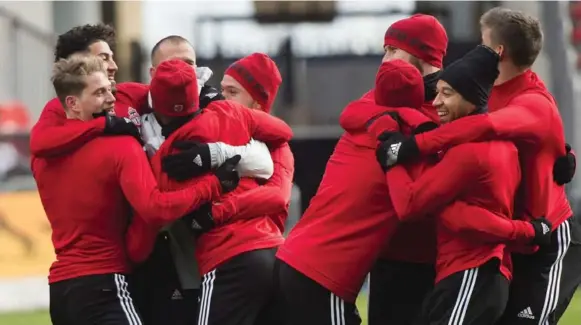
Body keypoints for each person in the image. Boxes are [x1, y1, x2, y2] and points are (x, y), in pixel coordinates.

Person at [379, 7, 581, 325]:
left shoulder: (531, 101)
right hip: (514, 242)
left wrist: (412, 147)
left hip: (547, 241)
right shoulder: (490, 90)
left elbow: (484, 127)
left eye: (483, 42)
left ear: (497, 50)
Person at [34, 54, 239, 325]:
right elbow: (155, 209)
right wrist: (214, 184)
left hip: (61, 292)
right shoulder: (121, 147)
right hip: (105, 285)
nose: (111, 99)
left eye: (109, 89)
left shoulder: (41, 157)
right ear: (71, 103)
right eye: (99, 93)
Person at [276, 59, 444, 325]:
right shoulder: (400, 150)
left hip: (297, 260)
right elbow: (416, 203)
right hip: (322, 275)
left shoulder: (360, 130)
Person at [147, 59, 292, 325]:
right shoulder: (212, 129)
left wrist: (215, 211)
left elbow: (277, 196)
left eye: (232, 92)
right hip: (261, 257)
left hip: (235, 257)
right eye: (222, 89)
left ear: (258, 106)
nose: (221, 98)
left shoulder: (276, 146)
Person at [338, 14, 448, 325]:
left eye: (392, 50)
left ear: (420, 54)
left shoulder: (452, 101)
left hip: (440, 257)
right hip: (390, 255)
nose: (384, 60)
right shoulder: (389, 95)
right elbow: (352, 112)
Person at [29, 24, 147, 158]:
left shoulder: (129, 92)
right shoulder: (61, 106)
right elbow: (39, 143)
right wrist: (104, 125)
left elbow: (168, 90)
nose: (114, 66)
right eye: (104, 59)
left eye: (112, 58)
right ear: (78, 65)